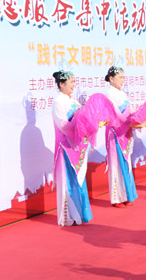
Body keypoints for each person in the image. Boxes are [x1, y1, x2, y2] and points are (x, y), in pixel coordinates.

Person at [51, 70, 107, 226]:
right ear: (61, 84)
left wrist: (94, 124)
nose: (73, 85)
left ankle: (80, 214)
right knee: (68, 181)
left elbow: (83, 121)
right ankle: (69, 216)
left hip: (77, 146)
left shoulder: (73, 102)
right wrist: (83, 129)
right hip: (66, 147)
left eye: (74, 82)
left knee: (78, 180)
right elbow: (64, 126)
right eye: (71, 82)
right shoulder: (58, 102)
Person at [104, 65, 140, 207]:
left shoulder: (123, 94)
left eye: (123, 77)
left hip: (125, 132)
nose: (122, 80)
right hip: (115, 133)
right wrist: (131, 123)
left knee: (125, 163)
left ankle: (126, 195)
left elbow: (130, 111)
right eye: (119, 77)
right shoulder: (110, 93)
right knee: (116, 165)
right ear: (111, 78)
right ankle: (117, 198)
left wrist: (139, 120)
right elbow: (116, 114)